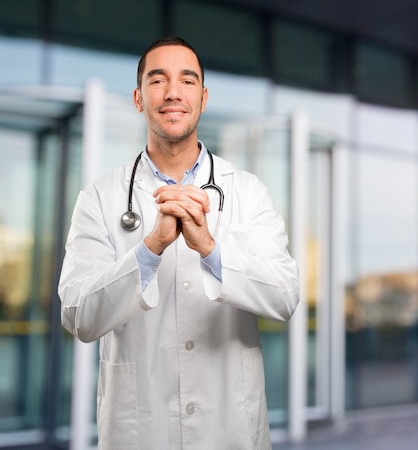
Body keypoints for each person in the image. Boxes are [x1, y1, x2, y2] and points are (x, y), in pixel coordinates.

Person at [58, 36, 300, 449]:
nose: (173, 92)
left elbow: (284, 297)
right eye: (158, 80)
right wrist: (149, 249)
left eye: (187, 81)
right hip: (140, 431)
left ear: (203, 98)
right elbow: (78, 316)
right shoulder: (99, 198)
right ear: (138, 98)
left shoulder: (247, 191)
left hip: (230, 431)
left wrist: (210, 249)